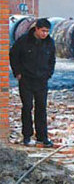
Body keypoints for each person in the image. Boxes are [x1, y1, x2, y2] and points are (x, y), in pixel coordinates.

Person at [10, 18, 55, 147]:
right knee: (27, 107)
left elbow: (52, 59)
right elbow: (13, 55)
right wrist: (17, 73)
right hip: (26, 80)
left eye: (47, 31)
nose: (44, 34)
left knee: (41, 109)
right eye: (43, 31)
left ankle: (42, 137)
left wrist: (48, 74)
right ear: (36, 29)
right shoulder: (24, 41)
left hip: (41, 81)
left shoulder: (49, 42)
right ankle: (27, 136)